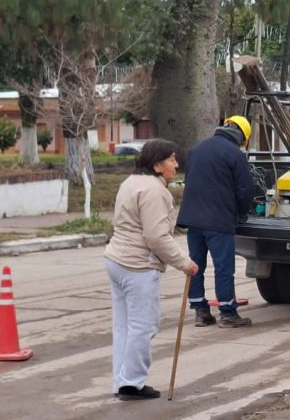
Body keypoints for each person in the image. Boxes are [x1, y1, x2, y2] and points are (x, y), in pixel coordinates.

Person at [104, 139, 199, 401]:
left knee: (125, 325)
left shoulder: (131, 182)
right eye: (171, 160)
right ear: (157, 164)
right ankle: (132, 383)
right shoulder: (155, 191)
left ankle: (122, 381)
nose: (176, 165)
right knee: (143, 326)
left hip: (116, 260)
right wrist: (185, 263)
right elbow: (156, 237)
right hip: (138, 265)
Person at [178, 116, 260, 328]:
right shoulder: (235, 154)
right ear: (242, 137)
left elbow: (190, 182)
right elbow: (245, 191)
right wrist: (242, 214)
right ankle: (228, 313)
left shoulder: (197, 150)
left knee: (195, 265)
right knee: (223, 267)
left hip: (193, 220)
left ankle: (200, 312)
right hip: (218, 221)